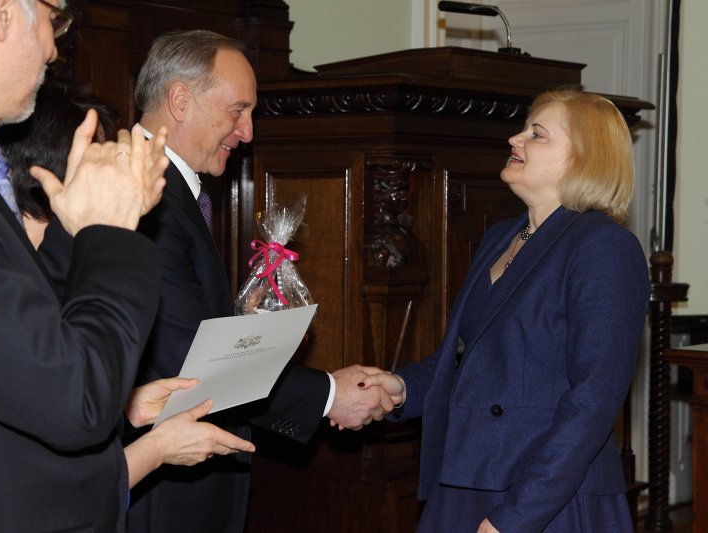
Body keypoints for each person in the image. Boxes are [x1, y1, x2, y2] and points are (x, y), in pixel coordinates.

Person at [0, 1, 172, 530]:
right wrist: (110, 232)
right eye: (54, 18)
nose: (55, 48)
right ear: (3, 13)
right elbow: (75, 401)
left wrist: (79, 229)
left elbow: (11, 358)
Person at [126, 29, 394, 533]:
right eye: (237, 111)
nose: (247, 132)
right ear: (180, 100)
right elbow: (185, 360)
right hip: (162, 500)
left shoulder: (166, 188)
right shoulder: (145, 194)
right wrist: (330, 396)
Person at [358, 90, 650, 532]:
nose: (516, 138)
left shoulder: (602, 246)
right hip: (466, 480)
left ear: (584, 157)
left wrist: (517, 516)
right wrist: (400, 387)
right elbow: (465, 360)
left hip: (545, 497)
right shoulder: (499, 237)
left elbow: (592, 402)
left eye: (537, 134)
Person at [0, 83, 256, 486]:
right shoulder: (4, 284)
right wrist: (156, 449)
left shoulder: (29, 263)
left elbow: (49, 408)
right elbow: (34, 483)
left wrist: (125, 412)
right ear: (49, 177)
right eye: (100, 169)